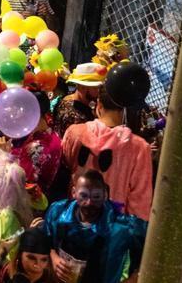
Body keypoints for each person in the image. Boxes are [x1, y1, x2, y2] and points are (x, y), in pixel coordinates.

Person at [42, 170, 145, 283]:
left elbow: (150, 248)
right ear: (74, 193)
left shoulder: (122, 226)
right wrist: (53, 257)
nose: (89, 202)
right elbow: (46, 239)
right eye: (84, 195)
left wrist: (134, 279)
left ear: (105, 195)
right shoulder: (58, 211)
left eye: (96, 197)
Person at [61, 86, 153, 220]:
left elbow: (65, 165)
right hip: (114, 230)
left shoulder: (74, 133)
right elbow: (140, 203)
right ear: (124, 108)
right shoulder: (138, 148)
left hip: (75, 220)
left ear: (99, 104)